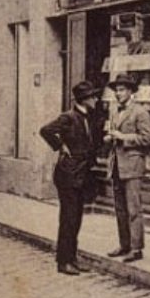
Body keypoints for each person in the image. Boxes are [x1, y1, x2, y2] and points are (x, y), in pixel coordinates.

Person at [39, 80, 101, 276]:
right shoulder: (68, 117)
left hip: (81, 175)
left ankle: (72, 258)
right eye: (93, 96)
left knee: (76, 219)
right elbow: (45, 130)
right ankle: (63, 261)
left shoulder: (88, 117)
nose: (96, 99)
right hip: (68, 175)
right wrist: (60, 146)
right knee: (68, 219)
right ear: (84, 99)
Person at [104, 73, 150, 263]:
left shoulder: (140, 112)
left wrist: (123, 137)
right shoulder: (114, 111)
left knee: (134, 209)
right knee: (120, 208)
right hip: (116, 165)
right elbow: (114, 134)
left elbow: (147, 139)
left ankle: (136, 248)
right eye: (116, 90)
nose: (118, 93)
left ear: (131, 91)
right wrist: (110, 138)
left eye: (122, 90)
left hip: (133, 165)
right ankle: (124, 244)